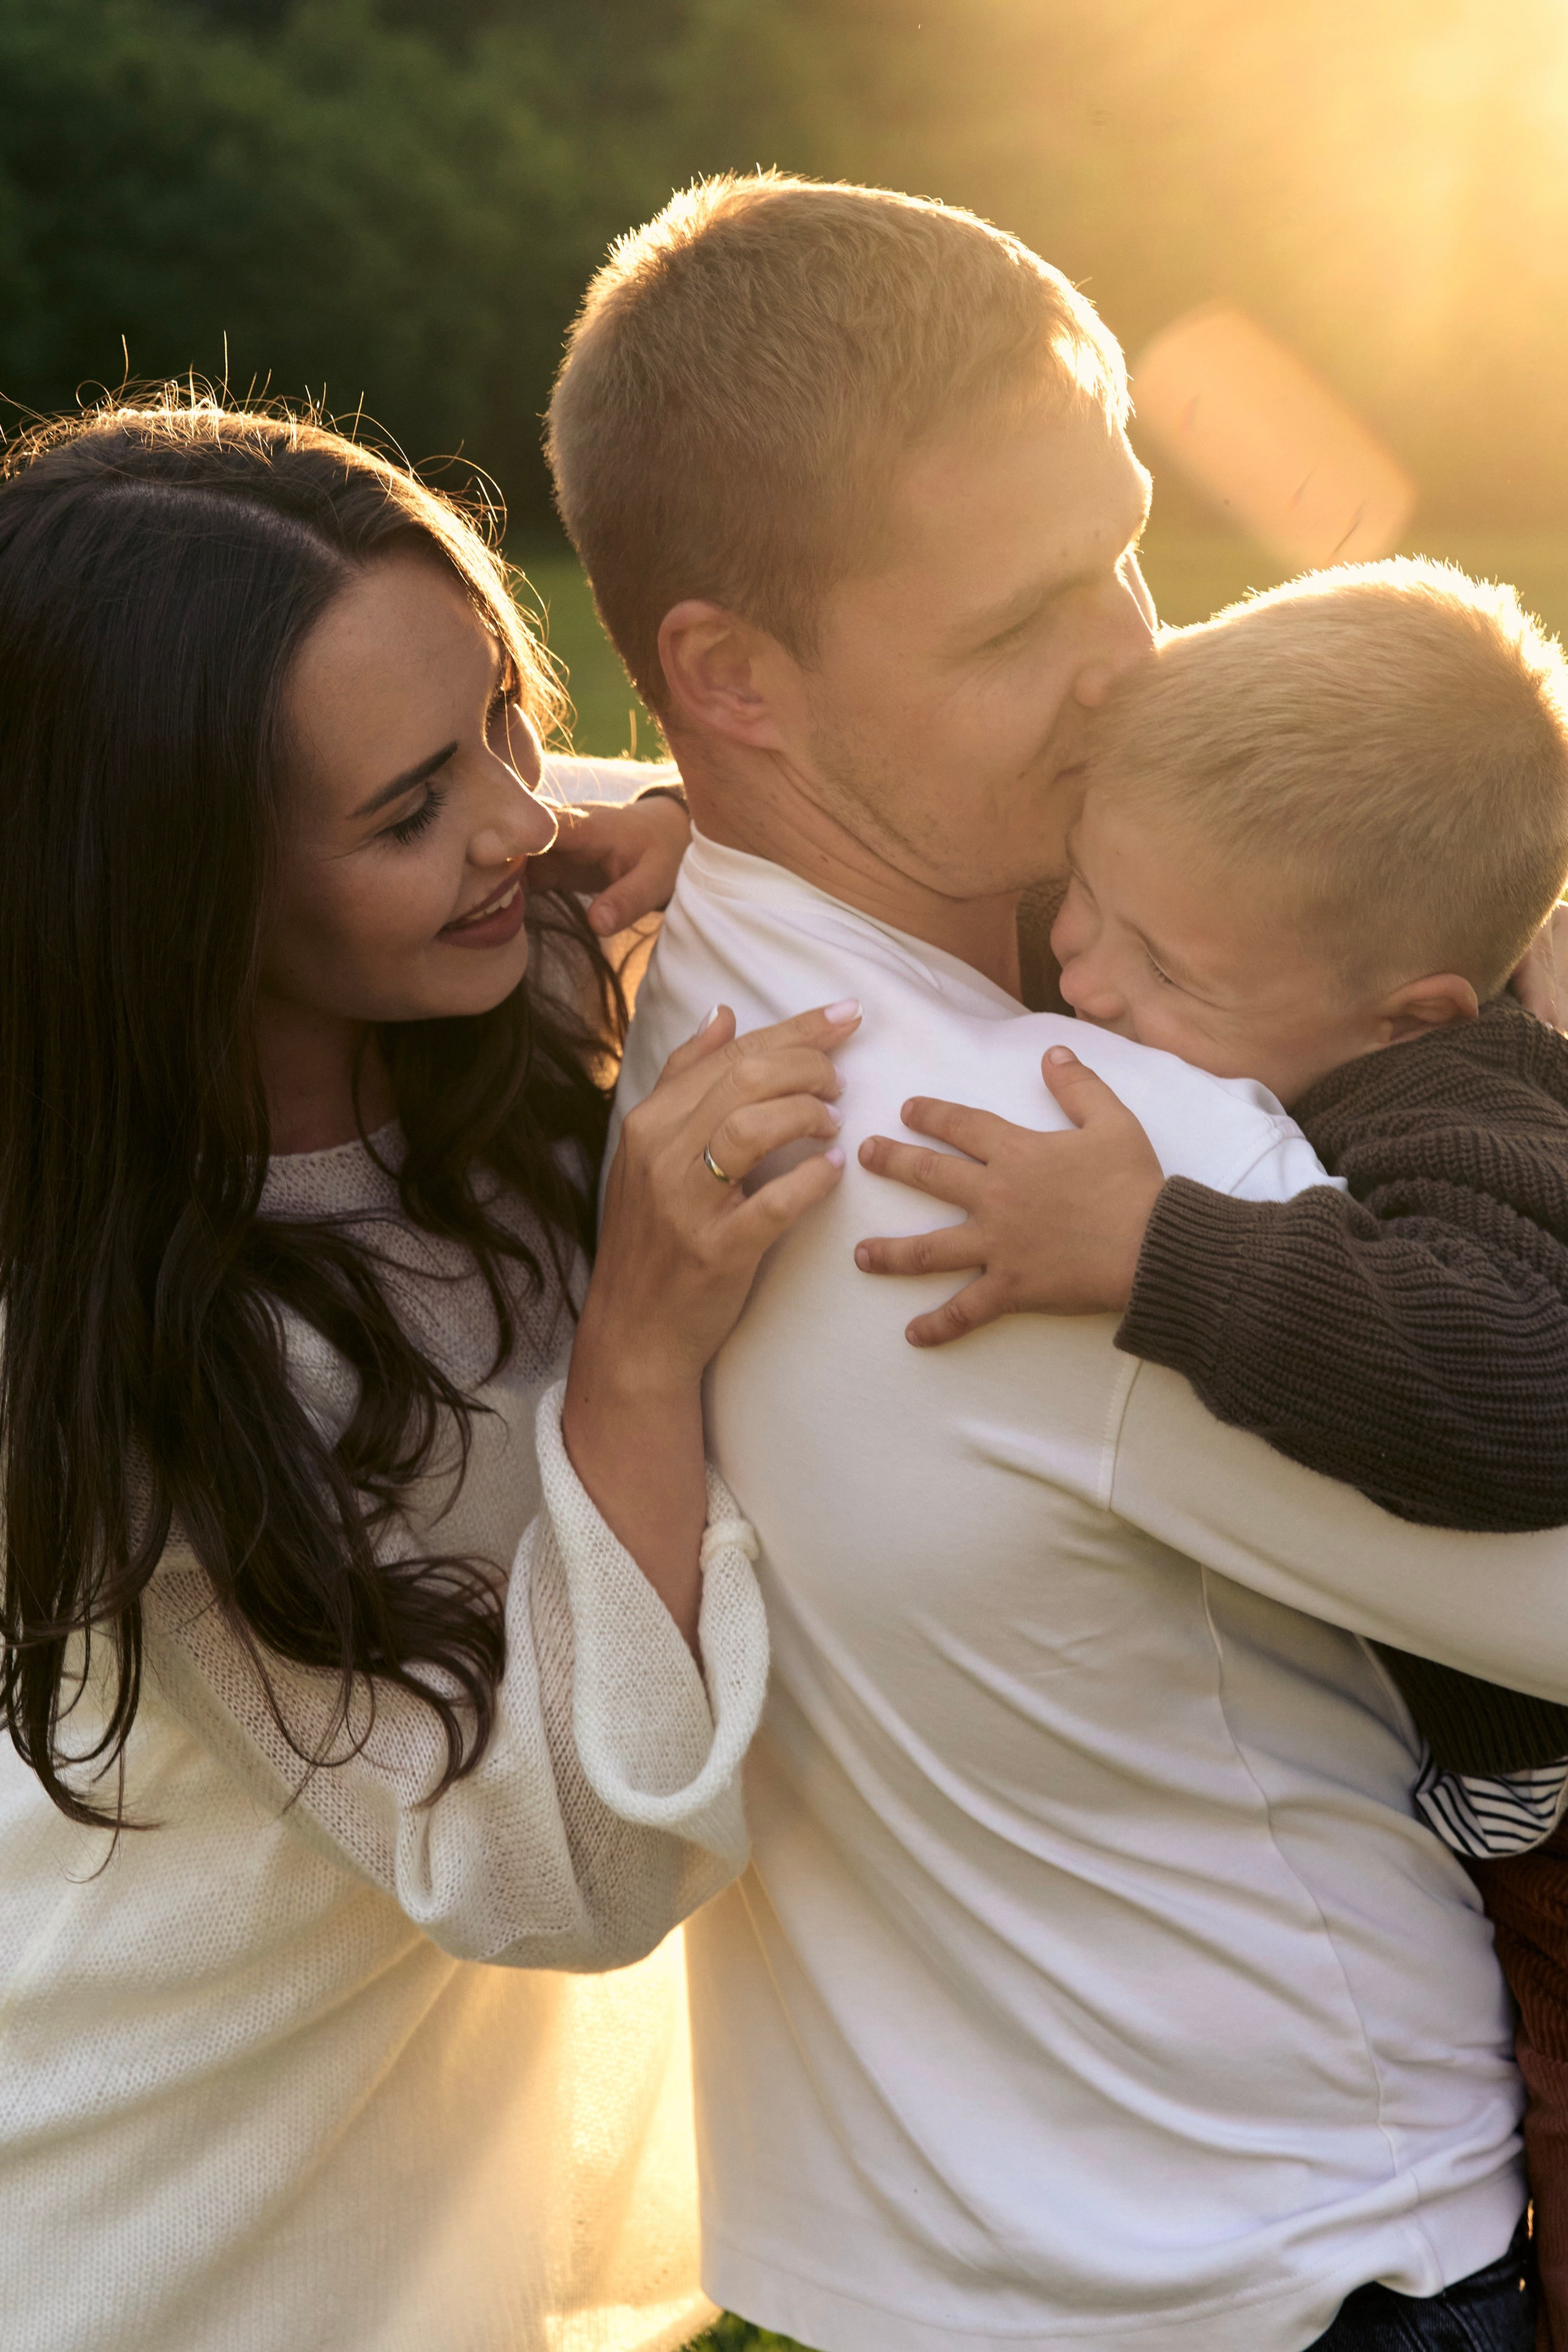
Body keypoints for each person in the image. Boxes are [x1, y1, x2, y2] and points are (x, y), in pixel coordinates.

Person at [548, 173, 1568, 2350]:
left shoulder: (677, 992)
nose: (1134, 651)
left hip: (912, 2256)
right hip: (1302, 2257)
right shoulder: (1084, 1166)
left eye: (1123, 546)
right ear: (731, 676)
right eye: (1022, 625)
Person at [0, 396, 862, 2352]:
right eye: (410, 809)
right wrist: (634, 1352)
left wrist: (718, 846)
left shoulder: (492, 959)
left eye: (501, 714)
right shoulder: (140, 1357)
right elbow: (556, 1865)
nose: (518, 817)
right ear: (173, 892)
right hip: (146, 2241)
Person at [851, 556, 1568, 2342]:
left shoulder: (1470, 1128)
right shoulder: (1264, 969)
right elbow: (1113, 930)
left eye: (1159, 965)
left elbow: (1521, 1386)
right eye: (1083, 891)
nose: (1080, 969)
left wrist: (1160, 1248)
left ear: (1410, 1016)